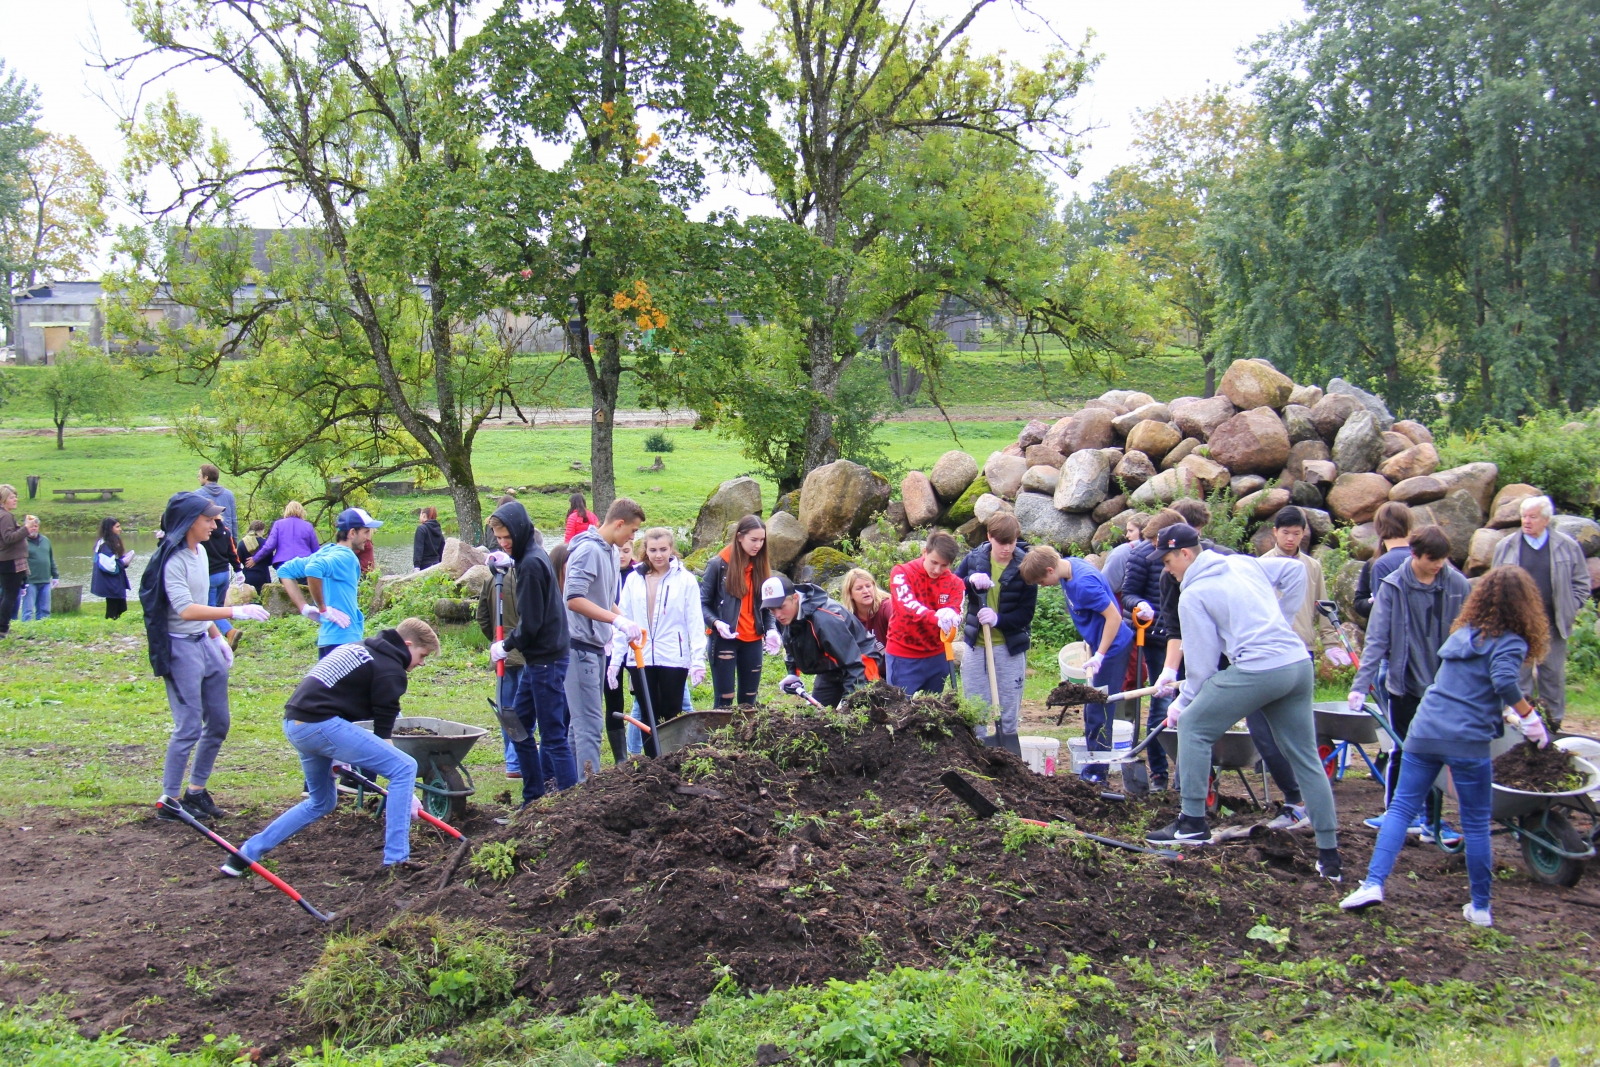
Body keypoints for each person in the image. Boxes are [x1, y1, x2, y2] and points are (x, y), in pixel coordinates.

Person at [1341, 567, 1553, 927]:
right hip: (1466, 740)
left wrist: (1504, 712)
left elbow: (1469, 685)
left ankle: (1372, 884)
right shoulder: (1512, 641)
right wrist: (1529, 718)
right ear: (1527, 606)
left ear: (1480, 599)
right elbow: (1502, 679)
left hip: (1424, 731)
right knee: (1474, 823)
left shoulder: (1463, 634)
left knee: (1401, 810)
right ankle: (1481, 907)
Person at [1145, 523, 1344, 879]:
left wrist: (1182, 703)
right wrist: (1281, 621)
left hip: (1260, 669)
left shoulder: (1194, 594)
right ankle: (1329, 857)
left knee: (1193, 726)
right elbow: (1294, 570)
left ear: (1186, 554)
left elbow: (1203, 670)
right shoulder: (1242, 563)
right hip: (1296, 663)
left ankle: (1191, 822)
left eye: (1169, 559)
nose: (1166, 568)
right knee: (1305, 756)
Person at [225, 617, 439, 875]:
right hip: (319, 725)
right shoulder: (391, 670)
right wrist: (407, 794)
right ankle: (396, 861)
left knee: (321, 802)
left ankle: (244, 855)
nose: (421, 662)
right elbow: (385, 736)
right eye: (422, 654)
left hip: (295, 724)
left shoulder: (362, 648)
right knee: (405, 767)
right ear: (407, 644)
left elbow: (341, 697)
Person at [1150, 498, 1311, 828]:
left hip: (1250, 662)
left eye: (1168, 558)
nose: (1166, 567)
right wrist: (1169, 669)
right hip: (1211, 657)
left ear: (1188, 547)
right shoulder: (1172, 578)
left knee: (1257, 731)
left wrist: (1283, 618)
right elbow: (1178, 630)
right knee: (1197, 724)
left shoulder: (1229, 560)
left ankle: (1295, 802)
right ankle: (1198, 800)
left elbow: (1286, 578)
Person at [138, 491, 272, 820]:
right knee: (188, 726)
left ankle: (196, 792)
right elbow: (184, 609)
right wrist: (235, 611)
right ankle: (169, 800)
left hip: (203, 642)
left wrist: (218, 639)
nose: (215, 524)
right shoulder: (172, 559)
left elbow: (201, 605)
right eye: (208, 518)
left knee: (219, 722)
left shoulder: (200, 552)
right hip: (180, 647)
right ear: (188, 523)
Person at [1348, 525, 1471, 839]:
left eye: (1443, 560)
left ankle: (1432, 821)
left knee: (1438, 752)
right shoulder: (1393, 587)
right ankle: (1398, 815)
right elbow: (1375, 640)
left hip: (1445, 686)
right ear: (1416, 554)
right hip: (1405, 684)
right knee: (1406, 752)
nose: (1439, 565)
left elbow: (1470, 632)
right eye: (1433, 559)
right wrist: (1361, 685)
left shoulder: (1456, 584)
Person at [486, 499, 578, 804]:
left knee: (552, 734)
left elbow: (532, 622)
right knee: (519, 727)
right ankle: (533, 798)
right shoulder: (527, 558)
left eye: (507, 537)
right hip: (537, 660)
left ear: (520, 530)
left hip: (546, 660)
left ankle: (570, 803)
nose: (503, 543)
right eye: (498, 539)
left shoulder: (531, 566)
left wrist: (505, 646)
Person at [1019, 544, 1134, 779]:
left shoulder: (1084, 584)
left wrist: (1101, 654)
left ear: (1050, 570)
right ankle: (1094, 765)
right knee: (1093, 709)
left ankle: (1097, 774)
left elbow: (1113, 616)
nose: (1043, 586)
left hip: (1112, 648)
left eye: (1041, 581)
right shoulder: (1068, 567)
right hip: (1098, 644)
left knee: (1099, 709)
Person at [1490, 495, 1590, 731]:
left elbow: (1582, 582)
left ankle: (1553, 726)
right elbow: (1493, 584)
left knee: (1552, 677)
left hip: (1552, 625)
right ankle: (1520, 727)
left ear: (1546, 520)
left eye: (1532, 517)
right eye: (1524, 516)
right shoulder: (1506, 546)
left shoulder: (1567, 546)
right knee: (1518, 678)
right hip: (1517, 626)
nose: (1526, 521)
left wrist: (1571, 605)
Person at [562, 497, 646, 778]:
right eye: (632, 531)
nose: (632, 538)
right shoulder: (588, 551)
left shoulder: (609, 551)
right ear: (619, 523)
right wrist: (615, 620)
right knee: (590, 725)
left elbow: (603, 598)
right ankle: (588, 787)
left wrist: (624, 621)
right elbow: (573, 598)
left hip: (596, 645)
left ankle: (570, 786)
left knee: (580, 725)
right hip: (578, 646)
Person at [608, 527, 707, 757]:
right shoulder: (634, 579)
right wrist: (615, 661)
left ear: (672, 549)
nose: (658, 555)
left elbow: (694, 620)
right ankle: (652, 763)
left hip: (673, 655)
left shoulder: (686, 580)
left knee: (670, 711)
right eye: (653, 550)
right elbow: (624, 620)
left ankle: (671, 760)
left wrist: (698, 659)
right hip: (640, 655)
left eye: (663, 549)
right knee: (647, 712)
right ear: (645, 550)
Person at [954, 512, 1037, 746]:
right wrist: (970, 580)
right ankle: (979, 747)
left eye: (1011, 542)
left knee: (1009, 703)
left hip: (1009, 647)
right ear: (990, 537)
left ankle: (1008, 745)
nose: (1007, 548)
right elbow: (951, 586)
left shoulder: (1025, 566)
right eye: (1002, 542)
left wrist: (998, 619)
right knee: (975, 703)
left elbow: (1026, 613)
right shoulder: (974, 559)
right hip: (976, 645)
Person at [1119, 507, 1185, 791]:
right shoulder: (1141, 554)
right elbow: (1128, 593)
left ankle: (1188, 776)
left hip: (1193, 641)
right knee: (1161, 705)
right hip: (1159, 639)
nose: (1157, 552)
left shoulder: (1195, 556)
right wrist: (1138, 606)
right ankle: (1159, 774)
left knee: (1192, 708)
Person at [702, 515, 781, 707]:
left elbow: (766, 605)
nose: (758, 545)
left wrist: (771, 629)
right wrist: (716, 623)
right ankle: (721, 737)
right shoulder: (718, 565)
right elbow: (702, 603)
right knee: (724, 700)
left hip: (753, 641)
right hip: (724, 639)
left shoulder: (760, 565)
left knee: (749, 701)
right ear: (739, 537)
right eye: (753, 540)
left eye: (762, 540)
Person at [276, 508, 378, 657]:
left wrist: (303, 607)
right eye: (366, 532)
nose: (368, 538)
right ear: (351, 533)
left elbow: (284, 571)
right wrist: (322, 608)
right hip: (345, 639)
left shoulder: (325, 552)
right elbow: (313, 569)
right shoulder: (346, 556)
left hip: (327, 640)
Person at [766, 574, 878, 706]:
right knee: (818, 717)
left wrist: (851, 702)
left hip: (861, 662)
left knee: (860, 713)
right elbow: (790, 644)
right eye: (772, 610)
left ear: (795, 598)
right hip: (831, 667)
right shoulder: (785, 617)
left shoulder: (825, 619)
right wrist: (793, 673)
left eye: (781, 606)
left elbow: (852, 662)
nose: (777, 614)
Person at [885, 532, 967, 695]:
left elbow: (957, 610)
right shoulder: (901, 573)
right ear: (924, 552)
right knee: (898, 711)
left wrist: (952, 617)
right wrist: (935, 617)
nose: (937, 570)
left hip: (938, 655)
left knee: (934, 710)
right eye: (934, 562)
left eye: (944, 565)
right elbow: (906, 605)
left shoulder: (956, 584)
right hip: (903, 655)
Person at [1261, 507, 1341, 655]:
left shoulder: (1312, 566)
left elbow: (1323, 604)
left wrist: (1331, 643)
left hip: (1304, 645)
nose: (1290, 538)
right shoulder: (1262, 564)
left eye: (1296, 533)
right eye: (1285, 532)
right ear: (1275, 532)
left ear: (1303, 533)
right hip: (1272, 646)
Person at [1353, 502, 1413, 623]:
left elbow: (1380, 613)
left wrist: (1374, 603)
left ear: (1379, 529)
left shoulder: (1378, 564)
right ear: (1409, 528)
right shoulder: (1423, 558)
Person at [202, 504, 245, 646]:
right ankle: (215, 636)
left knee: (210, 609)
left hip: (210, 574)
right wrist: (238, 570)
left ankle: (229, 631)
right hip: (224, 573)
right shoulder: (225, 531)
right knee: (219, 607)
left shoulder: (203, 533)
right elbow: (232, 552)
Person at [249, 501, 320, 572]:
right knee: (303, 583)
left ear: (286, 511)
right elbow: (316, 549)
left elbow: (269, 546)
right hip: (304, 563)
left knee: (286, 582)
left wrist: (255, 559)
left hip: (283, 563)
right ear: (302, 511)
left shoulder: (278, 524)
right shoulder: (308, 526)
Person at [91, 517, 134, 620]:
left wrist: (124, 560)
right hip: (111, 582)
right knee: (113, 607)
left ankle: (117, 623)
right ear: (110, 528)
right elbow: (109, 566)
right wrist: (122, 562)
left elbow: (115, 560)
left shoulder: (113, 541)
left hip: (115, 580)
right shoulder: (105, 545)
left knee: (120, 605)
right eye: (117, 527)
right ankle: (112, 626)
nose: (120, 529)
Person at [20, 515, 58, 621]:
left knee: (45, 610)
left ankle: (43, 631)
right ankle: (26, 631)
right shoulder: (22, 542)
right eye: (31, 526)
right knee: (28, 610)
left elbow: (50, 559)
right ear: (26, 527)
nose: (33, 528)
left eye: (36, 526)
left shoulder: (45, 540)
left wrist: (55, 575)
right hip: (30, 581)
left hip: (45, 580)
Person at [0, 485, 26, 636]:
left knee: (5, 594)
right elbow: (8, 538)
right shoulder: (5, 516)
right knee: (10, 595)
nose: (15, 499)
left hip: (5, 560)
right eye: (11, 497)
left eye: (15, 496)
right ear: (3, 500)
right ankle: (2, 628)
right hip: (9, 561)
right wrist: (26, 529)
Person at [1101, 515, 1146, 596]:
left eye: (1131, 531)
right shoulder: (1121, 553)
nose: (1127, 535)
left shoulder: (1121, 553)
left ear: (1143, 531)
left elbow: (1105, 586)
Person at [197, 464, 238, 539]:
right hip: (226, 538)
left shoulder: (197, 495)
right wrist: (234, 540)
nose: (198, 478)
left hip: (206, 539)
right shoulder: (229, 494)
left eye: (199, 476)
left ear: (206, 477)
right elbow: (233, 520)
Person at [239, 520, 273, 592]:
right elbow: (270, 561)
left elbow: (239, 559)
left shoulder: (242, 542)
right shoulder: (265, 543)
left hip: (248, 576)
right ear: (261, 530)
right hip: (263, 575)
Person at [413, 506, 445, 570]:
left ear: (424, 515)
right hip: (437, 565)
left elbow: (418, 549)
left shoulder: (421, 529)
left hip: (424, 565)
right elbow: (442, 548)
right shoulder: (438, 529)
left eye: (420, 515)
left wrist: (416, 566)